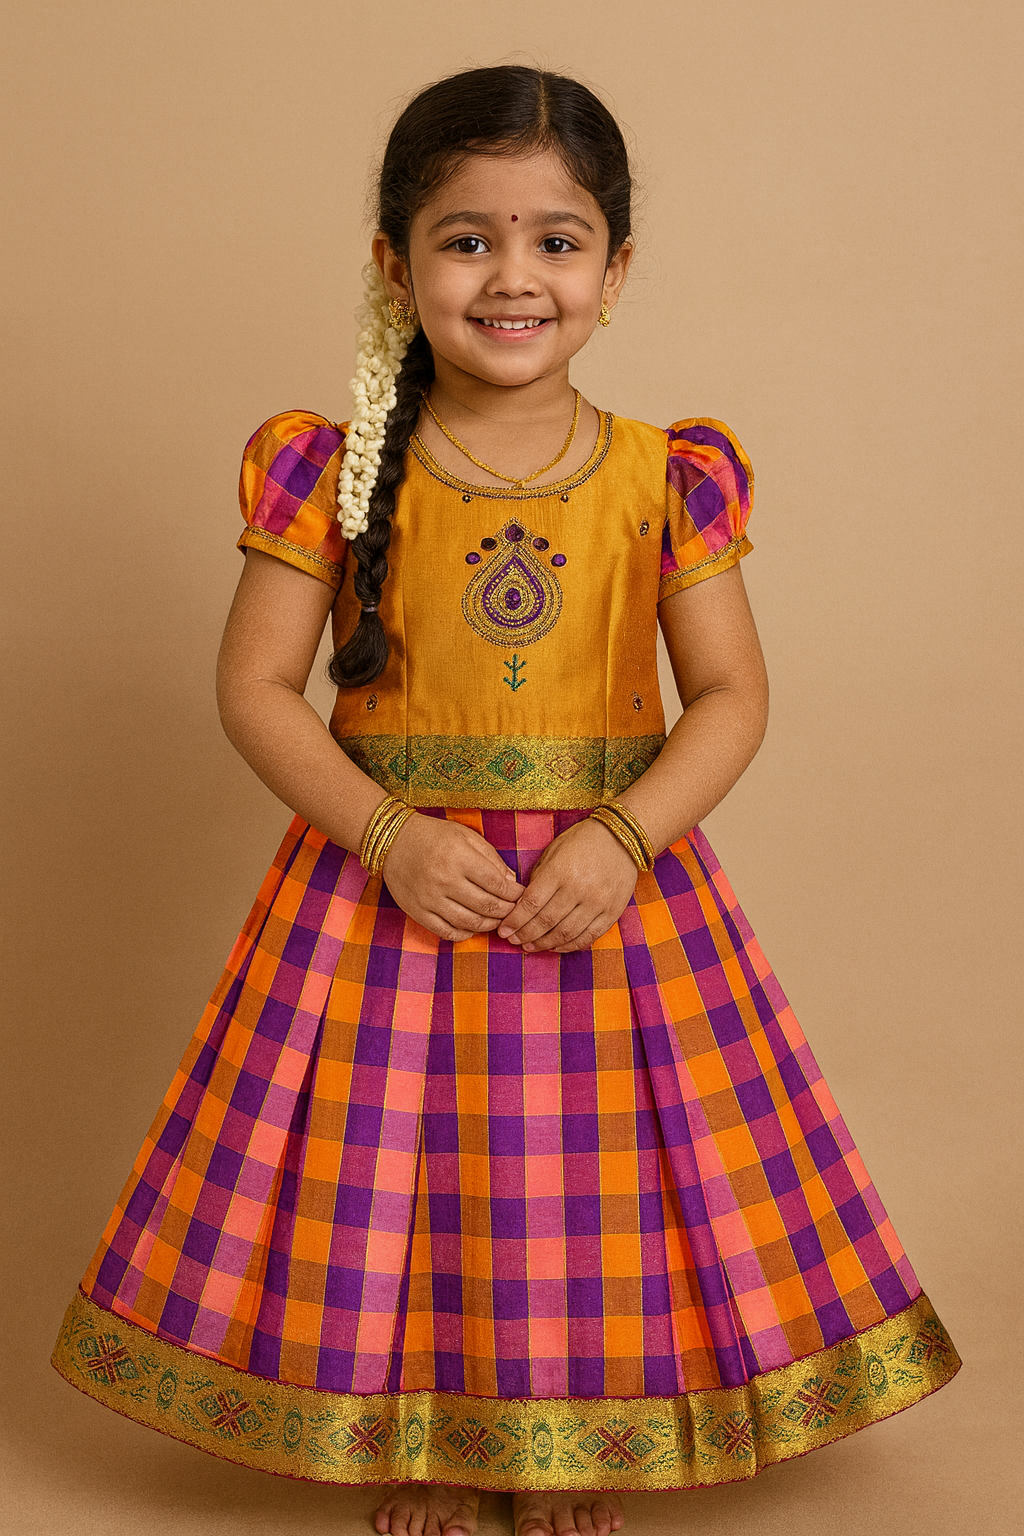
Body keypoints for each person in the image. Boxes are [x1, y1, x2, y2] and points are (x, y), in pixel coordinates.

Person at [51, 64, 960, 1536]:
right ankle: (418, 1438)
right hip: (385, 890)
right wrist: (388, 835)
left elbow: (732, 695)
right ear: (393, 265)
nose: (513, 276)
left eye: (557, 240)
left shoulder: (668, 477)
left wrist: (623, 838)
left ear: (616, 267)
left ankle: (563, 1444)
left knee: (582, 1183)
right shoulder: (333, 469)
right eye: (466, 238)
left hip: (611, 902)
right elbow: (254, 690)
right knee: (392, 1171)